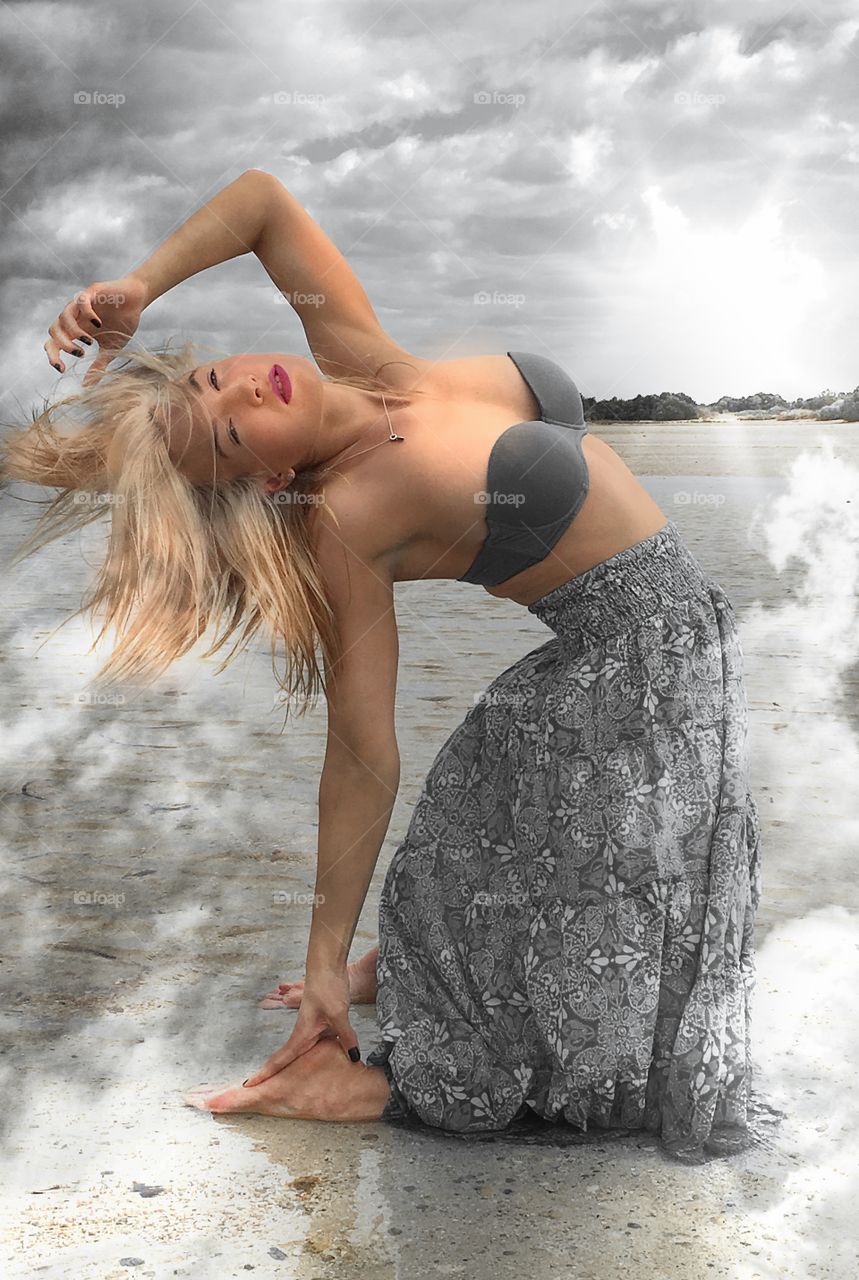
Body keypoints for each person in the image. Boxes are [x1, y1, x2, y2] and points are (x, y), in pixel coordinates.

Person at [2, 169, 762, 1160]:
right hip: (650, 672)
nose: (243, 385)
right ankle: (347, 1069)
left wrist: (140, 285)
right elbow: (362, 748)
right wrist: (318, 961)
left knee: (529, 851)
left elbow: (265, 203)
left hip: (631, 665)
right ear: (270, 477)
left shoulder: (359, 363)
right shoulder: (347, 518)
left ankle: (411, 956)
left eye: (211, 376)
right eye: (234, 428)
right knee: (595, 1006)